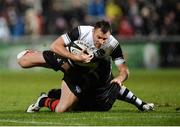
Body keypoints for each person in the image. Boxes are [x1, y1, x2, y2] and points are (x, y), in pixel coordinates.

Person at [17, 20, 154, 113]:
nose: (101, 41)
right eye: (99, 37)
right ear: (93, 31)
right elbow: (55, 46)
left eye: (105, 39)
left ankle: (44, 100)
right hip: (67, 59)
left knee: (61, 109)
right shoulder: (81, 32)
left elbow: (124, 70)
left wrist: (120, 78)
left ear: (110, 36)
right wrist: (76, 57)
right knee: (22, 61)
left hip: (79, 73)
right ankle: (36, 54)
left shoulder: (113, 45)